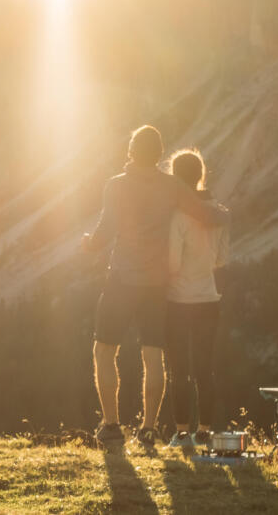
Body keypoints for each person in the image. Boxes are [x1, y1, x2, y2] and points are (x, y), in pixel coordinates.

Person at [81, 125, 229, 449]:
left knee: (104, 350)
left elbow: (105, 232)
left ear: (131, 151)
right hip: (157, 285)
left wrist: (88, 244)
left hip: (121, 279)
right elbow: (202, 214)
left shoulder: (115, 186)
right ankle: (148, 429)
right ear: (160, 154)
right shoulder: (172, 187)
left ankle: (111, 425)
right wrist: (223, 215)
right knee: (152, 355)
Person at [164, 149, 229, 448]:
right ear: (201, 176)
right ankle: (204, 431)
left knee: (178, 369)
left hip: (177, 301)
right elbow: (221, 260)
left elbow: (173, 265)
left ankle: (180, 433)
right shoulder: (220, 214)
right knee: (205, 368)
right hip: (208, 299)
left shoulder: (177, 216)